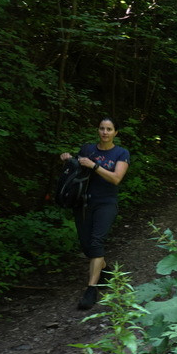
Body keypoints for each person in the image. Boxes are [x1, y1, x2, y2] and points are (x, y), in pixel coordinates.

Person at [59, 117, 130, 309]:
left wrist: (95, 166)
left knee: (97, 242)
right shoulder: (87, 149)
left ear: (116, 133)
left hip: (106, 203)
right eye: (102, 128)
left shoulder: (121, 153)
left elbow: (116, 178)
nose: (105, 132)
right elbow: (76, 172)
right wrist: (68, 161)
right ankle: (105, 271)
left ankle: (91, 289)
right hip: (83, 203)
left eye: (109, 129)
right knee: (87, 246)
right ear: (98, 130)